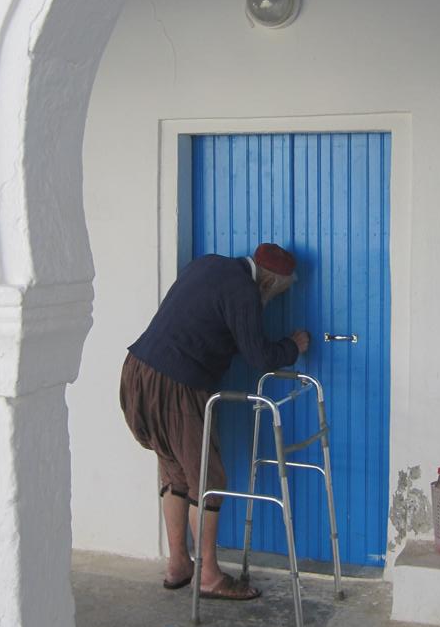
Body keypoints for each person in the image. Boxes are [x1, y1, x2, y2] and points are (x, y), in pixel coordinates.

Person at [120, 243, 310, 600]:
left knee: (175, 470)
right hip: (176, 383)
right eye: (276, 292)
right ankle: (207, 574)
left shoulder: (209, 265)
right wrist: (292, 346)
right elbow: (259, 356)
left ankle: (178, 564)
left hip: (137, 373)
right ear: (270, 282)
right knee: (209, 478)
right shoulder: (244, 291)